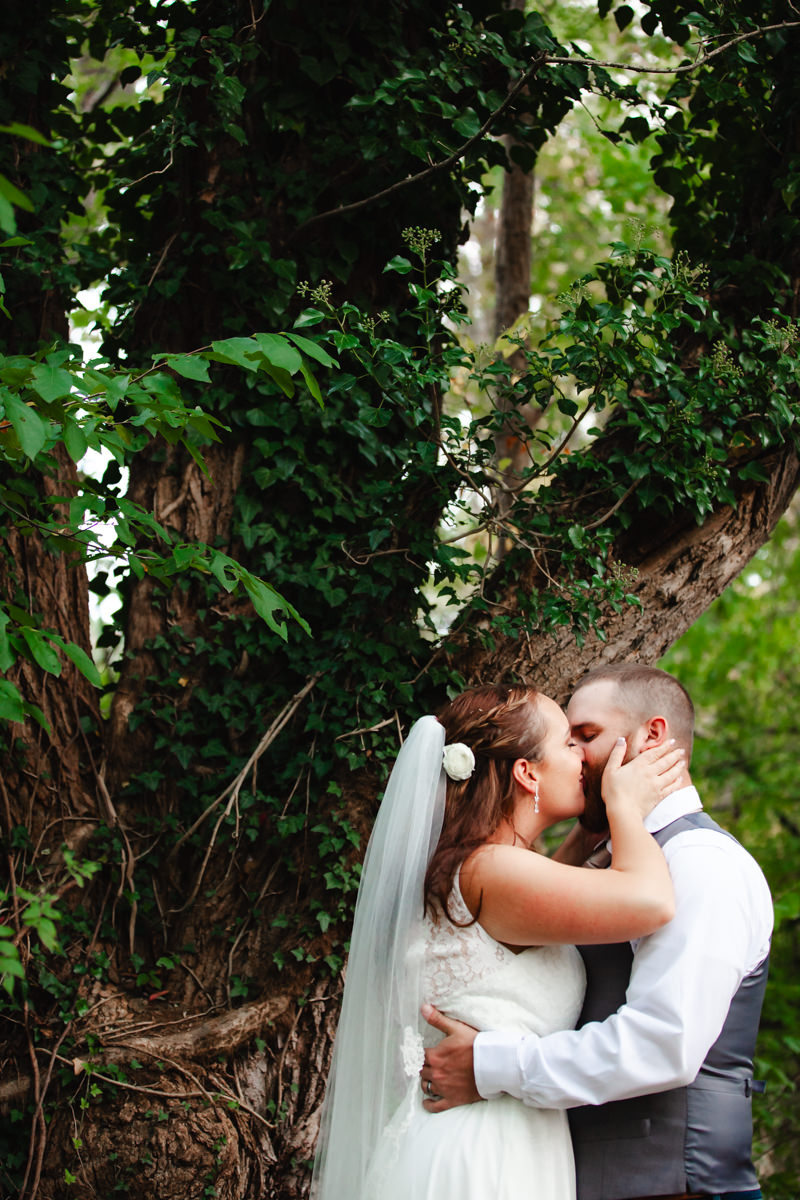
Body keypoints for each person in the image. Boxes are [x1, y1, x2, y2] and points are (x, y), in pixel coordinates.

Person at [311, 682, 685, 1200]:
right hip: (481, 1155)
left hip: (502, 1138)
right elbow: (651, 902)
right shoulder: (494, 870)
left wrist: (593, 825)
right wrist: (623, 804)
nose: (582, 756)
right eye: (567, 743)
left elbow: (557, 881)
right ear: (527, 772)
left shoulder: (488, 864)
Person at [420, 664, 774, 1200]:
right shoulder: (604, 863)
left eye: (586, 737)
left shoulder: (700, 863)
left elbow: (664, 1043)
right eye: (570, 741)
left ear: (652, 737)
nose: (578, 757)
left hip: (677, 1184)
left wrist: (491, 1064)